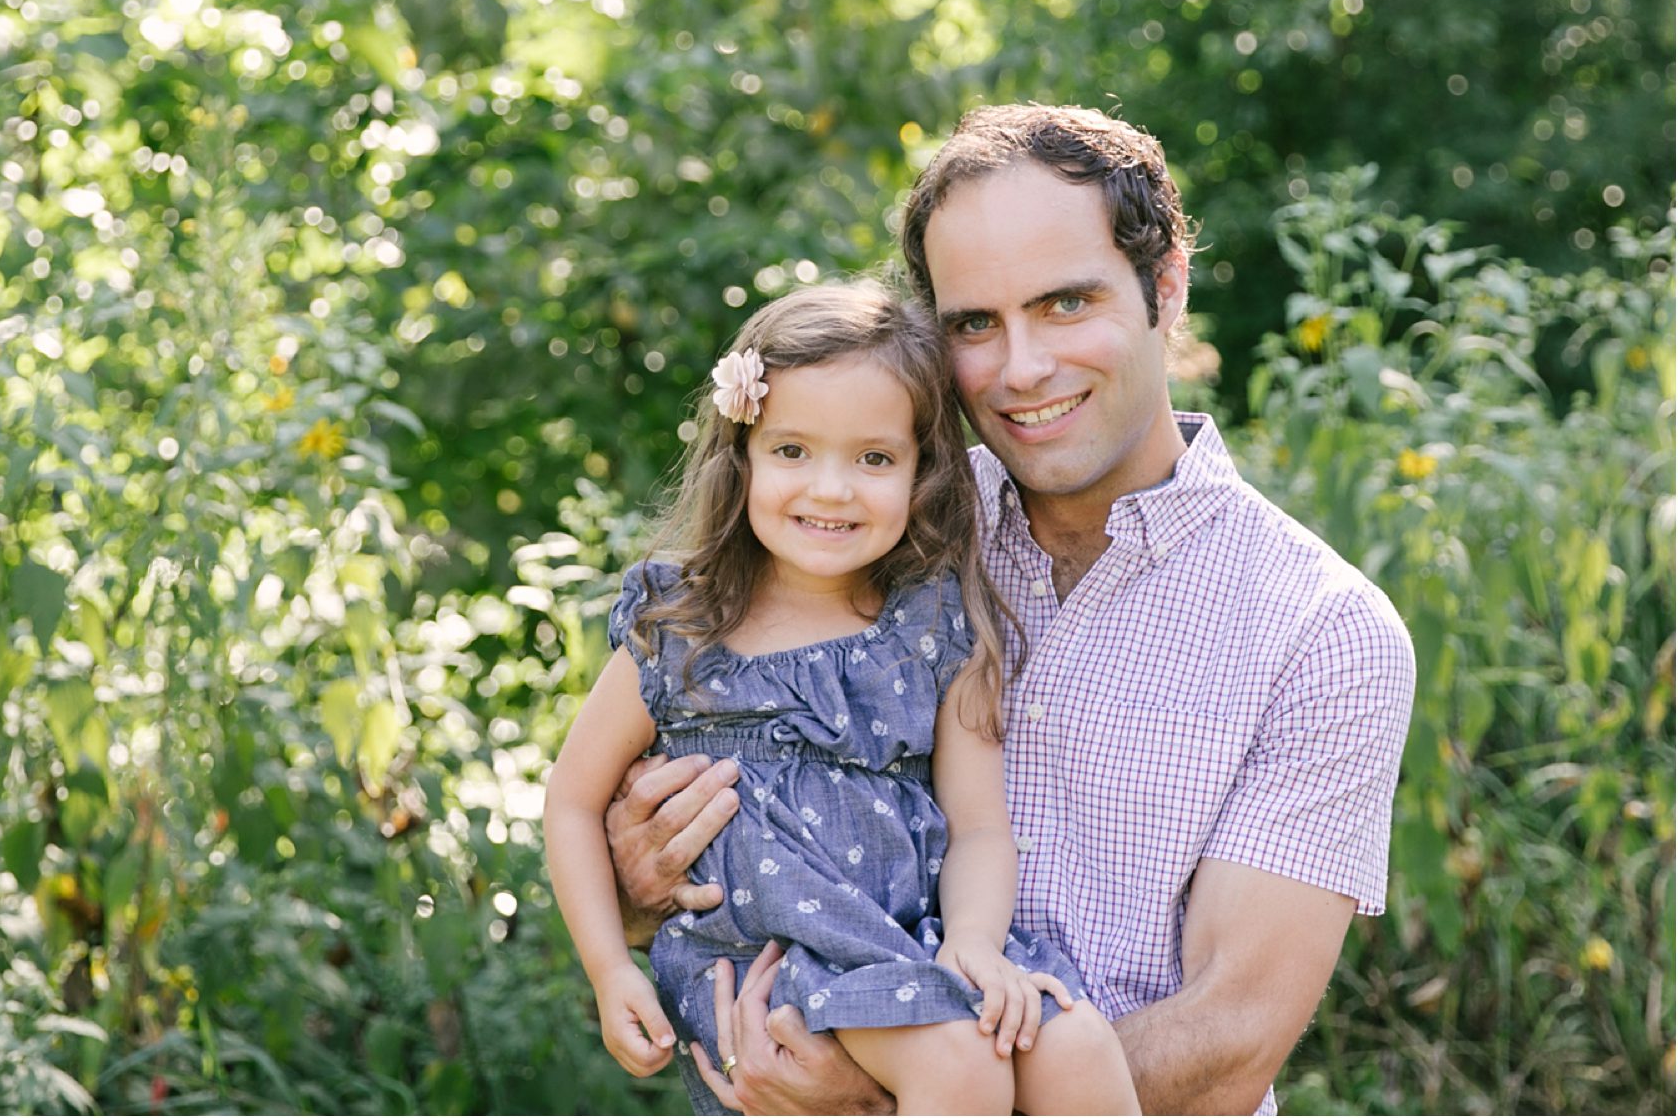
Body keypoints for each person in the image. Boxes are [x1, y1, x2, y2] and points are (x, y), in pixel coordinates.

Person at [603, 104, 1416, 1115]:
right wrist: (640, 884)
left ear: (1165, 287)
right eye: (974, 325)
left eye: (1065, 303)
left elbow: (1227, 1037)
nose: (1021, 368)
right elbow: (693, 844)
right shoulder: (862, 538)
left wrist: (905, 1087)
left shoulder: (1322, 631)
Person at [544, 283, 1141, 1115]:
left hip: (911, 944)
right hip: (769, 966)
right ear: (742, 455)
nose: (830, 489)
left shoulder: (933, 626)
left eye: (873, 459)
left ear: (922, 473)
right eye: (792, 450)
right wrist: (610, 969)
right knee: (962, 1060)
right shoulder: (683, 625)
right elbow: (572, 799)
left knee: (1078, 1046)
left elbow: (979, 826)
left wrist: (974, 942)